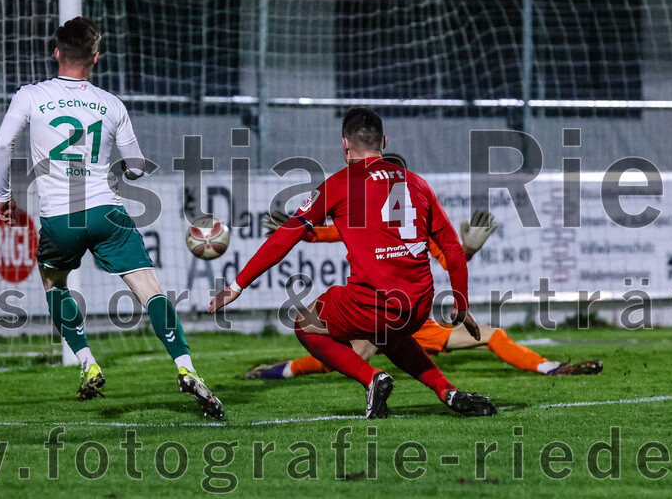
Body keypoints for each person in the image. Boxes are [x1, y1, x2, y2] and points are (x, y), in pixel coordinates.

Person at [0, 17, 223, 418]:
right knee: (150, 289)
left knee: (53, 283)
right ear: (96, 58)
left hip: (60, 219)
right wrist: (124, 169)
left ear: (56, 52)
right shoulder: (111, 103)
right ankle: (185, 368)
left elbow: (2, 143)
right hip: (106, 211)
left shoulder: (31, 95)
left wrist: (5, 195)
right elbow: (135, 166)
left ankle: (87, 361)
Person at [210, 108, 496, 418]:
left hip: (376, 301)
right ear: (383, 142)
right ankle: (447, 391)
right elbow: (453, 249)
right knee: (388, 336)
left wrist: (237, 285)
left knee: (306, 324)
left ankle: (371, 378)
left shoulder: (339, 184)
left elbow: (283, 239)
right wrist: (461, 304)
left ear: (345, 144)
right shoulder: (417, 184)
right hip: (418, 305)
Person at [246, 154, 602, 381]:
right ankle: (281, 371)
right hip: (406, 314)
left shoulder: (394, 219)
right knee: (352, 353)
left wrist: (468, 250)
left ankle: (550, 366)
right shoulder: (392, 217)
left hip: (397, 316)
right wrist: (302, 234)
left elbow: (450, 258)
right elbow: (449, 259)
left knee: (348, 352)